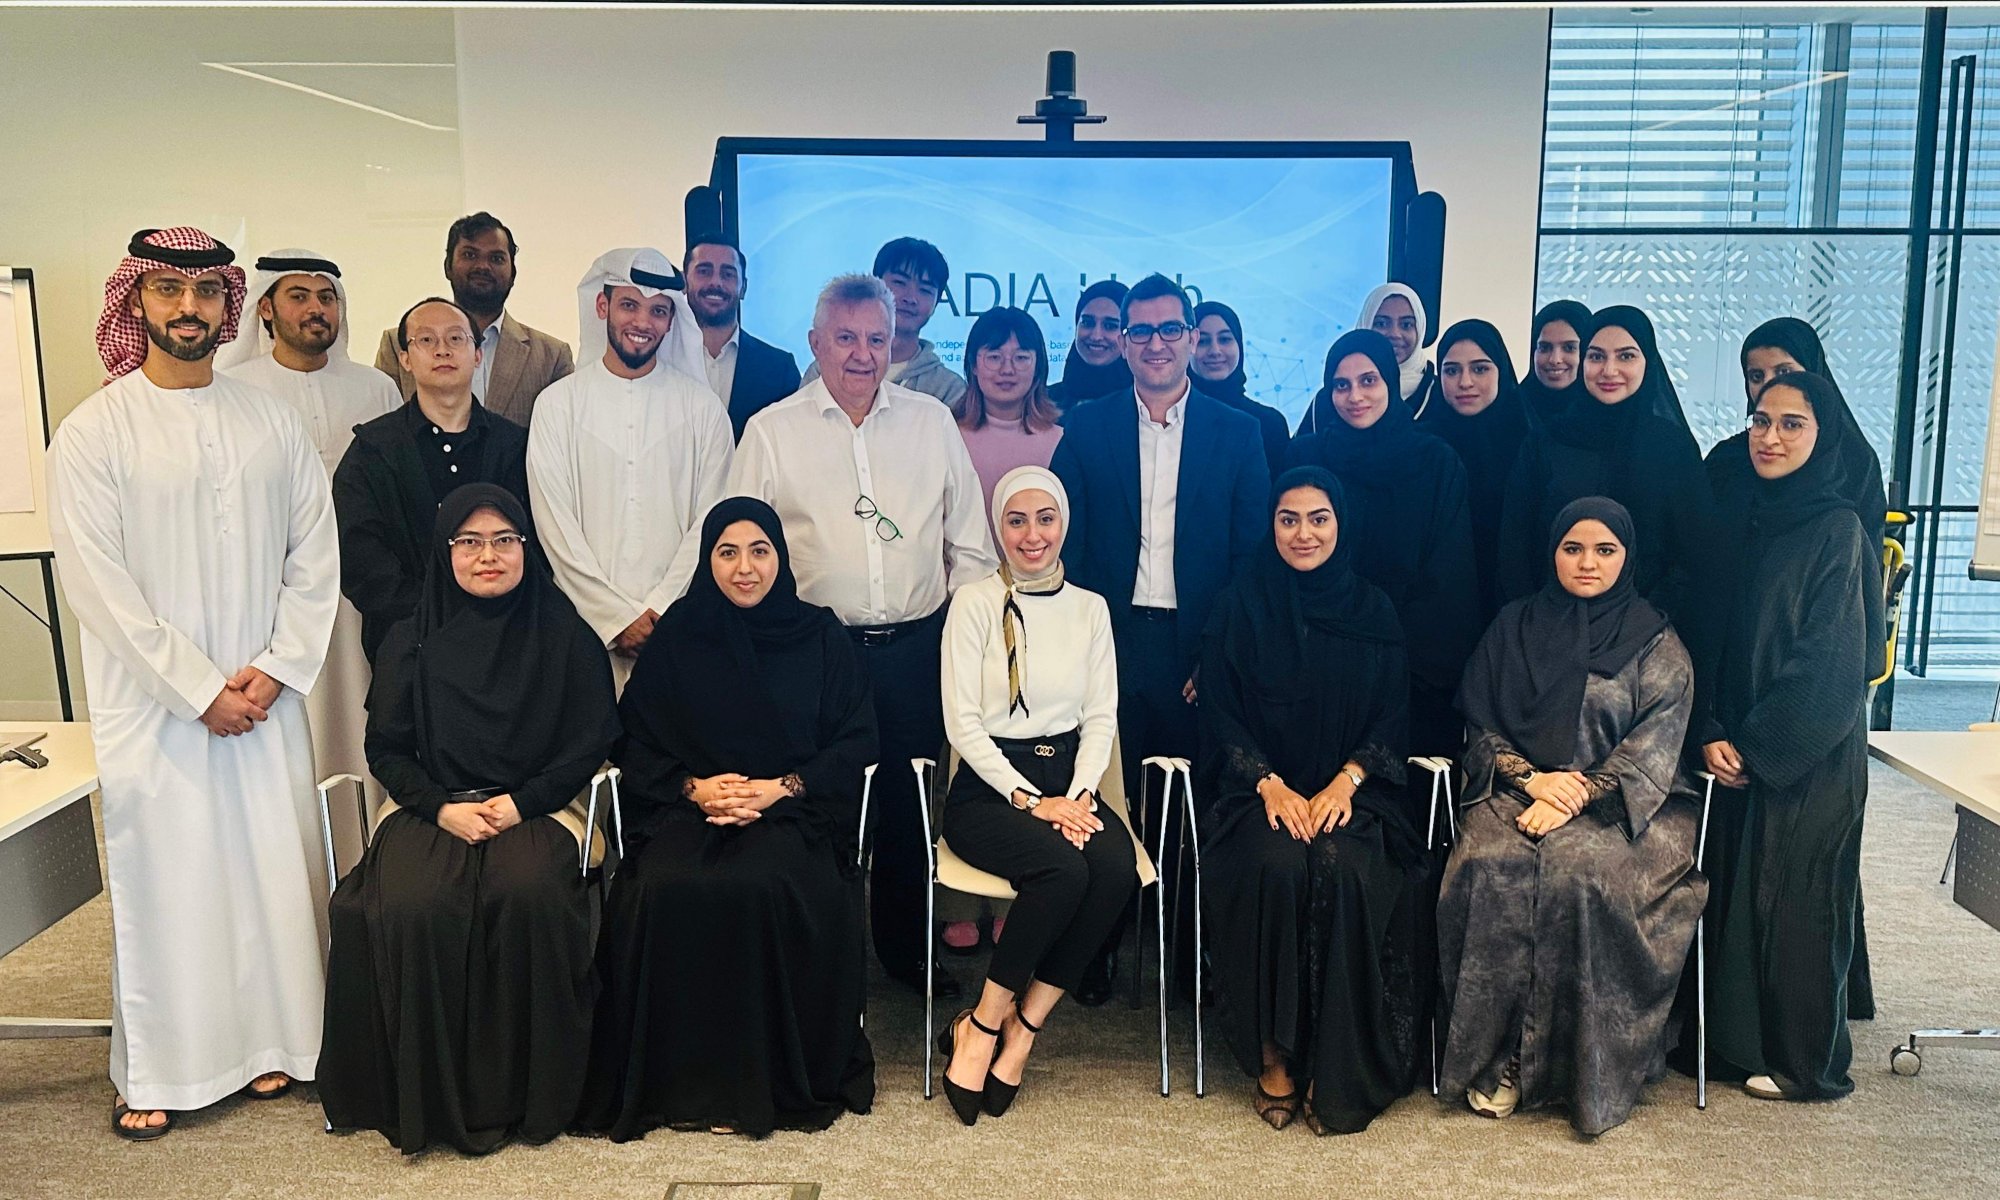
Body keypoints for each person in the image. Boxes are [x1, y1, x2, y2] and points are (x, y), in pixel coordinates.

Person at [49, 227, 339, 1140]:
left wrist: (276, 668)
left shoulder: (270, 420)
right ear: (135, 300)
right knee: (170, 879)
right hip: (158, 707)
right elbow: (97, 583)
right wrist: (197, 689)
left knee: (268, 872)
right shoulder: (94, 430)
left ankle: (272, 1045)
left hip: (263, 699)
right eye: (168, 290)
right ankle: (164, 1066)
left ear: (227, 306)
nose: (188, 307)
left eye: (207, 291)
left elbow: (313, 554)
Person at [319, 484, 619, 1154]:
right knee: (418, 903)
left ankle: (532, 1098)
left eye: (504, 540)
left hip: (540, 804)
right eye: (471, 542)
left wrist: (522, 803)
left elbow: (589, 742)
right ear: (444, 550)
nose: (489, 556)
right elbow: (387, 750)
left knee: (529, 892)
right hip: (432, 805)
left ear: (525, 548)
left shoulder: (566, 635)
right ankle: (431, 1101)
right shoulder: (409, 639)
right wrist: (442, 808)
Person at [725, 273, 997, 999]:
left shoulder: (930, 423)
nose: (862, 354)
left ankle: (907, 954)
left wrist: (959, 641)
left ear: (895, 342)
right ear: (816, 343)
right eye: (845, 338)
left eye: (876, 338)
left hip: (915, 650)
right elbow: (740, 548)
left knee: (910, 807)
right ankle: (818, 957)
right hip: (814, 655)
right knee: (816, 806)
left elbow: (972, 547)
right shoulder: (772, 430)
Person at [578, 497, 878, 1140]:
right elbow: (633, 739)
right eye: (728, 552)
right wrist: (694, 788)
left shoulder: (820, 635)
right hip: (691, 809)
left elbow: (856, 740)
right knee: (659, 887)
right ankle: (675, 1086)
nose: (745, 568)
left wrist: (779, 788)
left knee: (760, 885)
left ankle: (758, 1085)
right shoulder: (680, 636)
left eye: (759, 551)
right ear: (707, 560)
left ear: (781, 557)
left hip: (794, 812)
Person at [1437, 497, 1704, 1135]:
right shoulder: (1513, 625)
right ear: (1552, 553)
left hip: (1626, 806)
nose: (1587, 563)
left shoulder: (1656, 641)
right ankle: (1498, 1058)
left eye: (1605, 550)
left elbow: (1654, 747)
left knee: (1581, 876)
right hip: (1515, 791)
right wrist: (1535, 781)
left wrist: (1576, 795)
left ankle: (1581, 1070)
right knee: (1487, 865)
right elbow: (1479, 724)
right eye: (1573, 548)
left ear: (1626, 558)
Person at [1050, 272, 1267, 1004]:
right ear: (1121, 342)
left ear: (1191, 336)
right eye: (1139, 331)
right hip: (1110, 640)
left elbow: (1248, 557)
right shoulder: (1088, 425)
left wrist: (1216, 652)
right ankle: (1098, 944)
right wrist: (1080, 644)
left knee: (1192, 802)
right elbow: (1067, 544)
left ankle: (1185, 947)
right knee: (1104, 798)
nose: (1154, 343)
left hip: (1194, 647)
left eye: (1169, 329)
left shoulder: (1238, 432)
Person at [1199, 466, 1427, 1135]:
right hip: (1257, 793)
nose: (1303, 533)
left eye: (1318, 518)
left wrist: (1345, 781)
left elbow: (1392, 715)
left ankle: (1337, 1059)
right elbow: (1219, 712)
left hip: (1354, 795)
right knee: (1275, 866)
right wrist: (1267, 781)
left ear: (1341, 524)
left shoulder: (1374, 610)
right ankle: (1273, 1054)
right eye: (1289, 519)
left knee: (1345, 867)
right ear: (1270, 527)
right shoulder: (1240, 605)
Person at [934, 467, 1136, 1124]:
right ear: (998, 527)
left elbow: (1101, 716)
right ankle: (982, 1024)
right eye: (1016, 521)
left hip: (1069, 781)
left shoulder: (1090, 608)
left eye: (1045, 519)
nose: (1032, 535)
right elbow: (962, 723)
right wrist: (1030, 800)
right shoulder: (973, 602)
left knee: (1114, 868)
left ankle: (1025, 1026)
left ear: (1063, 524)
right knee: (1061, 869)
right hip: (989, 788)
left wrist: (1078, 796)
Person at [1697, 372, 1878, 1103]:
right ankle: (1739, 1046)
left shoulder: (1839, 529)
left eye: (1791, 424)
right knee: (1741, 900)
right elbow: (1710, 632)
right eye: (1759, 420)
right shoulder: (1745, 515)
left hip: (1810, 750)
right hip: (1738, 742)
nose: (1769, 437)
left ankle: (1807, 1065)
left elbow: (1833, 659)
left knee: (1800, 903)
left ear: (1822, 434)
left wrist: (1760, 746)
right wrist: (1712, 728)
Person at [221, 251, 400, 827]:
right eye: (298, 296)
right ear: (265, 309)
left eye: (327, 297)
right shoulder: (233, 388)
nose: (316, 309)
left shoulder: (375, 388)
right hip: (273, 594)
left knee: (362, 712)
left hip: (361, 592)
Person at [528, 248, 734, 689]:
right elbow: (555, 527)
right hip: (584, 633)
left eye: (658, 310)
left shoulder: (704, 410)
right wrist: (615, 618)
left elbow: (711, 522)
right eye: (629, 305)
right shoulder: (557, 406)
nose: (643, 322)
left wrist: (661, 610)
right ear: (602, 307)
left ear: (672, 321)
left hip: (680, 631)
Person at [1287, 330, 1480, 758]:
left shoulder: (1435, 462)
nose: (1355, 396)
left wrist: (1391, 664)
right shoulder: (1304, 458)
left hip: (1409, 672)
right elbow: (1285, 562)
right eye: (1341, 384)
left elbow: (1448, 580)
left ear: (1391, 382)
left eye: (1368, 380)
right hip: (1315, 671)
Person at [335, 296, 531, 661]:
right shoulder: (372, 450)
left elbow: (536, 544)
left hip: (507, 639)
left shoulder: (516, 446)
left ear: (477, 355)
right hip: (406, 647)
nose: (443, 350)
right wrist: (434, 614)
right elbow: (361, 560)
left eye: (456, 338)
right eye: (426, 340)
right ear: (405, 359)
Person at [1496, 305, 1713, 616]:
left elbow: (1694, 555)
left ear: (1648, 363)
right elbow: (1516, 544)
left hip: (1646, 626)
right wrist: (1534, 618)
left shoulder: (1672, 448)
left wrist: (1642, 623)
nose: (1609, 370)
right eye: (1596, 356)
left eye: (1626, 356)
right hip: (1549, 621)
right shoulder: (1547, 441)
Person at [374, 212, 573, 426]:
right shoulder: (398, 345)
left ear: (513, 274)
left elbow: (563, 435)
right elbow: (384, 430)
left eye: (496, 258)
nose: (483, 266)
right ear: (448, 266)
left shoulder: (551, 357)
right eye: (470, 255)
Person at [1418, 318, 1532, 623]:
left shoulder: (1530, 445)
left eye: (1480, 369)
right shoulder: (1420, 447)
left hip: (1513, 611)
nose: (1465, 382)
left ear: (1501, 371)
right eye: (1451, 370)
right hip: (1435, 611)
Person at [802, 237, 966, 405]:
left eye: (925, 290)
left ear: (937, 302)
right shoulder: (825, 369)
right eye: (900, 283)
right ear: (876, 285)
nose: (911, 298)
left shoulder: (948, 388)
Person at [953, 306, 1066, 534]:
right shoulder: (948, 436)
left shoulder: (1061, 441)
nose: (1007, 369)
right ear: (973, 365)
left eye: (1021, 358)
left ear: (1038, 366)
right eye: (994, 357)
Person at [683, 232, 803, 440]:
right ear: (684, 282)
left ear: (744, 288)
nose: (716, 282)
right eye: (704, 271)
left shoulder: (779, 369)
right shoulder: (659, 357)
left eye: (728, 274)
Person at [1298, 283, 1435, 432]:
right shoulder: (1327, 400)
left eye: (1406, 325)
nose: (1395, 334)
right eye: (1381, 324)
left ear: (1420, 329)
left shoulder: (1440, 394)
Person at [1191, 300, 1290, 476]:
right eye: (1203, 341)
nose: (1215, 351)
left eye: (1225, 339)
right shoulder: (1171, 420)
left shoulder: (1269, 424)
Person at [1048, 279, 1131, 411]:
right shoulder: (1043, 403)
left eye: (1110, 326)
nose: (1096, 336)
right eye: (1087, 323)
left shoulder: (1146, 405)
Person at [1518, 300, 1591, 426]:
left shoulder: (1606, 416)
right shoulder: (1511, 410)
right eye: (1544, 348)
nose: (1555, 359)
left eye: (1569, 348)